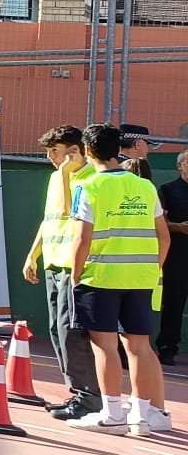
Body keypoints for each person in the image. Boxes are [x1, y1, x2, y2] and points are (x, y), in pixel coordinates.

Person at [66, 124, 171, 436]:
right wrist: (152, 268)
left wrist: (76, 275)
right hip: (140, 277)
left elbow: (82, 239)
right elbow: (163, 237)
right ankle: (141, 415)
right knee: (138, 346)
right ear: (118, 150)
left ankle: (112, 414)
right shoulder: (145, 187)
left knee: (105, 347)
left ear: (88, 151)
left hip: (101, 277)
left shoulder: (88, 187)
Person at [22, 125, 104, 421]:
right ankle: (77, 392)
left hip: (75, 266)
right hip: (54, 264)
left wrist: (69, 174)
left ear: (75, 152)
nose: (50, 158)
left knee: (73, 333)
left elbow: (72, 213)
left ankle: (90, 397)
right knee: (58, 330)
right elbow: (50, 219)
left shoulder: (91, 178)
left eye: (54, 152)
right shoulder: (57, 178)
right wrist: (34, 255)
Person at [158, 149, 188, 368]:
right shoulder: (168, 190)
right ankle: (168, 348)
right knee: (173, 304)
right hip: (177, 257)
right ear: (180, 165)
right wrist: (179, 227)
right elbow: (159, 224)